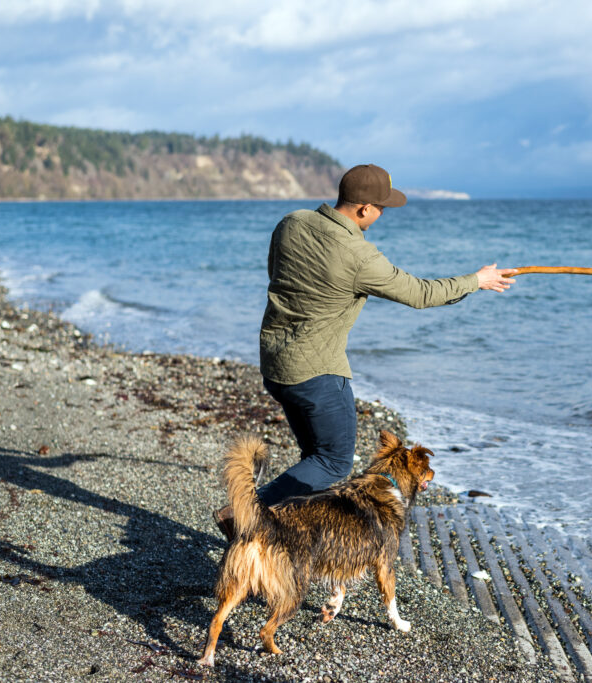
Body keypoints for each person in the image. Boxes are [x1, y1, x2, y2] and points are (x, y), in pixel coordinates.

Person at [214, 163, 515, 538]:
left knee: (316, 461)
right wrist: (477, 281)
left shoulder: (291, 223)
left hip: (276, 364)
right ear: (362, 209)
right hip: (318, 373)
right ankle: (243, 515)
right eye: (382, 207)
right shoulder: (359, 256)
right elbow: (421, 294)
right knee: (334, 462)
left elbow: (276, 273)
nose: (384, 214)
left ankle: (296, 540)